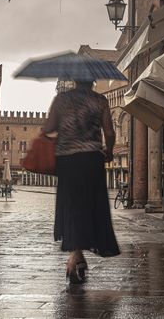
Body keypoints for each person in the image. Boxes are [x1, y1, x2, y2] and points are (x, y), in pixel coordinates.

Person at [42, 79, 120, 284]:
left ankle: (75, 256)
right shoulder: (100, 100)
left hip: (67, 161)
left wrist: (63, 128)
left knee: (72, 206)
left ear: (74, 79)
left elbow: (48, 127)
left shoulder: (61, 99)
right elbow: (110, 133)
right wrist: (109, 151)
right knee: (89, 207)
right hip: (92, 160)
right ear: (93, 80)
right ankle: (77, 256)